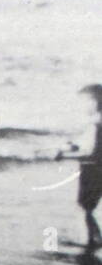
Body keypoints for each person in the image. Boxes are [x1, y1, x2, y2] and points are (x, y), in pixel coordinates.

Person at [56, 84, 102, 249]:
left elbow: (90, 152)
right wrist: (74, 146)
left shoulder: (95, 124)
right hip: (98, 169)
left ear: (93, 102)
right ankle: (95, 240)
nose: (82, 107)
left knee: (83, 209)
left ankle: (91, 242)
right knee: (87, 208)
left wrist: (64, 155)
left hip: (91, 169)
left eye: (84, 102)